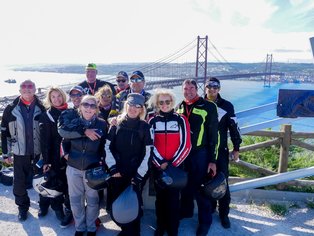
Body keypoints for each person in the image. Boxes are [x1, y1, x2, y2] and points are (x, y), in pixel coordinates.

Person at [58, 95, 107, 236]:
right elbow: (63, 141)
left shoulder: (102, 124)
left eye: (93, 105)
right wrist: (66, 155)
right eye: (86, 104)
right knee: (75, 200)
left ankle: (91, 228)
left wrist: (100, 162)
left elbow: (105, 146)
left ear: (96, 109)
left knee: (93, 200)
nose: (89, 108)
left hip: (92, 169)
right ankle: (79, 227)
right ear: (80, 106)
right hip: (73, 168)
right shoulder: (74, 123)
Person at [105, 93, 153, 236]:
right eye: (131, 105)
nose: (133, 108)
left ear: (141, 109)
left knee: (134, 205)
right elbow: (107, 147)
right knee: (118, 204)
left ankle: (133, 232)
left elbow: (148, 153)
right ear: (126, 105)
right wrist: (113, 169)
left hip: (135, 174)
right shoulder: (116, 124)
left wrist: (138, 176)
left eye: (137, 106)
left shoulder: (145, 127)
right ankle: (125, 229)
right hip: (117, 172)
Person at [176, 79, 219, 236]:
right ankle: (186, 211)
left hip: (200, 154)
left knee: (201, 189)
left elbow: (215, 135)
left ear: (197, 89)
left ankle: (205, 222)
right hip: (183, 154)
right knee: (185, 185)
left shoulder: (208, 106)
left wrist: (212, 160)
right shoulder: (179, 107)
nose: (189, 91)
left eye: (192, 88)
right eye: (186, 88)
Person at [148, 89, 191, 236]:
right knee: (160, 199)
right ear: (157, 103)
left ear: (172, 102)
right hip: (158, 167)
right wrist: (160, 163)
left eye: (168, 101)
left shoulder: (181, 119)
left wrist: (172, 164)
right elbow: (150, 145)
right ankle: (160, 227)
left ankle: (173, 228)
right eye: (161, 102)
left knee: (173, 199)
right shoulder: (152, 120)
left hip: (176, 167)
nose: (165, 104)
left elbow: (186, 145)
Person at [1, 80, 45, 221]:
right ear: (20, 91)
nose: (27, 89)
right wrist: (6, 153)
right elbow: (4, 132)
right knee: (19, 184)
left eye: (30, 86)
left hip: (38, 153)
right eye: (24, 87)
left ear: (34, 89)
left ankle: (44, 206)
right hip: (19, 153)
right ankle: (23, 207)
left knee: (42, 181)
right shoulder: (10, 109)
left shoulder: (42, 107)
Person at [205, 77, 242, 229]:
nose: (212, 89)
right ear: (205, 88)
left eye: (215, 87)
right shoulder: (200, 104)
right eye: (209, 86)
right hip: (204, 151)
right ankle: (210, 208)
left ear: (219, 89)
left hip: (220, 151)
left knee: (222, 182)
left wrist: (237, 148)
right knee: (205, 181)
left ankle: (224, 214)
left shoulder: (227, 106)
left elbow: (234, 127)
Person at [38, 87, 69, 223]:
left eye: (59, 96)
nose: (57, 99)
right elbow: (45, 142)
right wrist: (46, 161)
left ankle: (68, 207)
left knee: (67, 183)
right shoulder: (47, 116)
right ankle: (57, 209)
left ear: (63, 96)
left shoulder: (69, 112)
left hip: (68, 155)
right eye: (53, 97)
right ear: (49, 100)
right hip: (54, 155)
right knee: (53, 182)